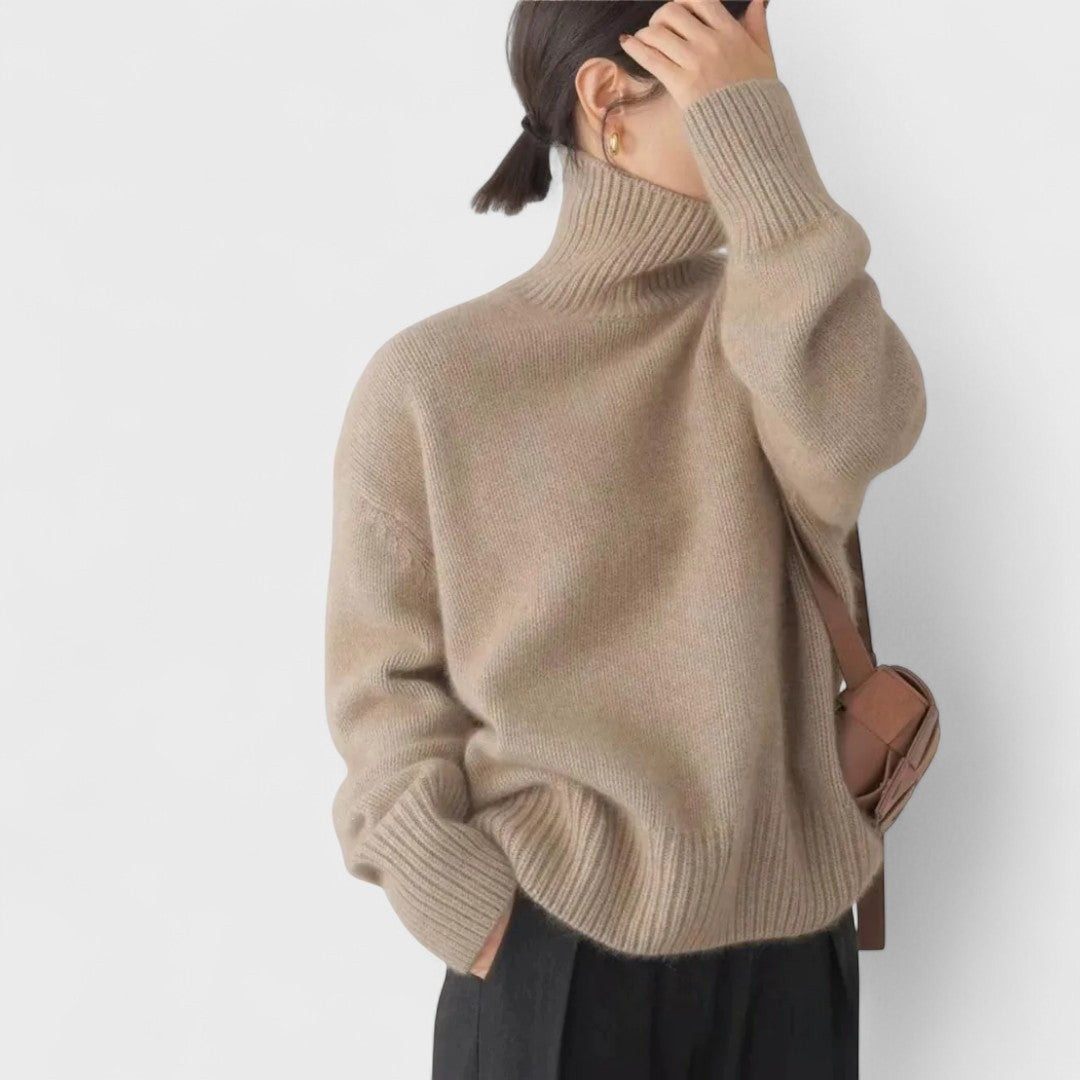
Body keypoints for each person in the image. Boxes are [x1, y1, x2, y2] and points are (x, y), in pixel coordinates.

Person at [323, 1, 927, 1076]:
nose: (759, 101)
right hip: (552, 957)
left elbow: (865, 428)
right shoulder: (433, 380)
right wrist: (473, 913)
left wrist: (766, 159)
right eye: (723, 73)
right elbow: (382, 692)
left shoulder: (771, 329)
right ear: (607, 99)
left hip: (791, 955)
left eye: (763, 77)